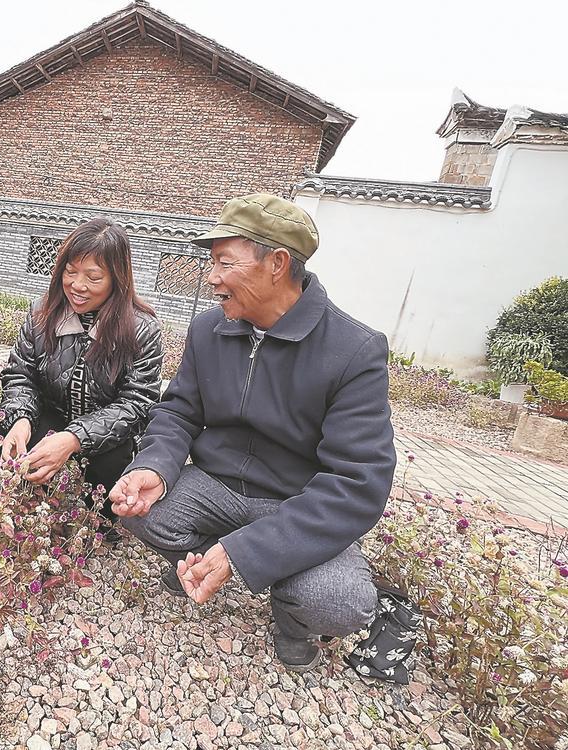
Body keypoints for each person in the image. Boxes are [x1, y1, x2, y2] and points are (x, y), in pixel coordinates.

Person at [110, 194, 396, 672]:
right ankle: (210, 561)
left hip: (294, 500)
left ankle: (290, 614)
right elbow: (178, 411)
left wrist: (244, 551)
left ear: (277, 264)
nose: (212, 277)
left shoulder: (354, 350)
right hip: (217, 486)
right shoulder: (208, 330)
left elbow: (357, 483)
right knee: (135, 506)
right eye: (212, 262)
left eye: (225, 262)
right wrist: (154, 467)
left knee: (340, 602)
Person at [0, 218, 163, 525]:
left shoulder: (142, 330)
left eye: (93, 277)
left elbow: (136, 405)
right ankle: (18, 511)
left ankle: (99, 523)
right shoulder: (42, 313)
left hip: (107, 428)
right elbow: (20, 374)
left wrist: (74, 438)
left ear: (117, 279)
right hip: (53, 411)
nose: (77, 286)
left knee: (112, 462)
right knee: (15, 438)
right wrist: (19, 418)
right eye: (70, 272)